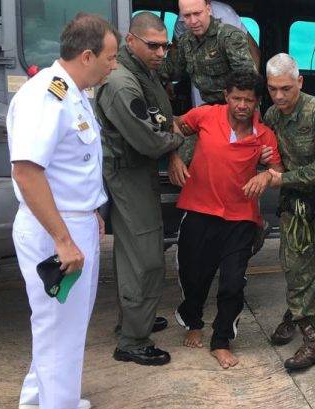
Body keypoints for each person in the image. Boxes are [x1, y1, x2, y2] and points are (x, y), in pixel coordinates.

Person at [8, 13, 118, 409]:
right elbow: (26, 171)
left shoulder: (71, 92)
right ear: (87, 55)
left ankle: (37, 400)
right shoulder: (47, 95)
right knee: (61, 334)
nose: (114, 65)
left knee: (59, 328)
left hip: (73, 221)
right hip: (53, 229)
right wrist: (63, 238)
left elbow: (72, 166)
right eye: (110, 57)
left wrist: (90, 214)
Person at [168, 70, 282, 369]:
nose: (241, 105)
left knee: (233, 282)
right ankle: (193, 321)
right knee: (194, 275)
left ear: (257, 102)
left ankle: (221, 340)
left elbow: (278, 172)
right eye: (236, 98)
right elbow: (175, 125)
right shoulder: (205, 116)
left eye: (248, 100)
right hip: (199, 209)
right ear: (226, 97)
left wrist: (266, 174)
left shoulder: (264, 136)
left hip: (241, 217)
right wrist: (174, 157)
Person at [95, 12, 185, 367]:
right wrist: (179, 136)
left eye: (165, 45)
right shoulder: (122, 82)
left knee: (133, 253)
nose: (161, 52)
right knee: (145, 257)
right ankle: (133, 340)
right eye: (153, 45)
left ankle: (133, 320)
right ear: (130, 41)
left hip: (136, 171)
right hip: (129, 174)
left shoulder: (141, 70)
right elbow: (149, 139)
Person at [263, 53, 315, 371]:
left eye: (286, 88)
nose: (280, 96)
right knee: (297, 270)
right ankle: (312, 344)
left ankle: (292, 316)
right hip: (294, 208)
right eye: (273, 89)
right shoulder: (272, 116)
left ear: (299, 82)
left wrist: (284, 178)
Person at [160, 0, 255, 105]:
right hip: (205, 106)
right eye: (187, 16)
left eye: (197, 14)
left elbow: (248, 81)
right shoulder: (185, 41)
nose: (193, 21)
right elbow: (172, 70)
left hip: (233, 108)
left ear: (208, 10)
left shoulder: (229, 36)